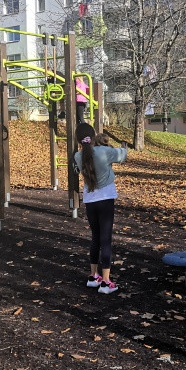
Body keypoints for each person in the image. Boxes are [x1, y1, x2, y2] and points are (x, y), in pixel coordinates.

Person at [74, 122, 128, 294]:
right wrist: (123, 147)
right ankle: (105, 282)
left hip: (90, 200)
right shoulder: (104, 151)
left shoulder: (78, 156)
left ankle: (93, 276)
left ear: (78, 140)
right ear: (93, 136)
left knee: (95, 238)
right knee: (106, 239)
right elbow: (122, 155)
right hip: (105, 199)